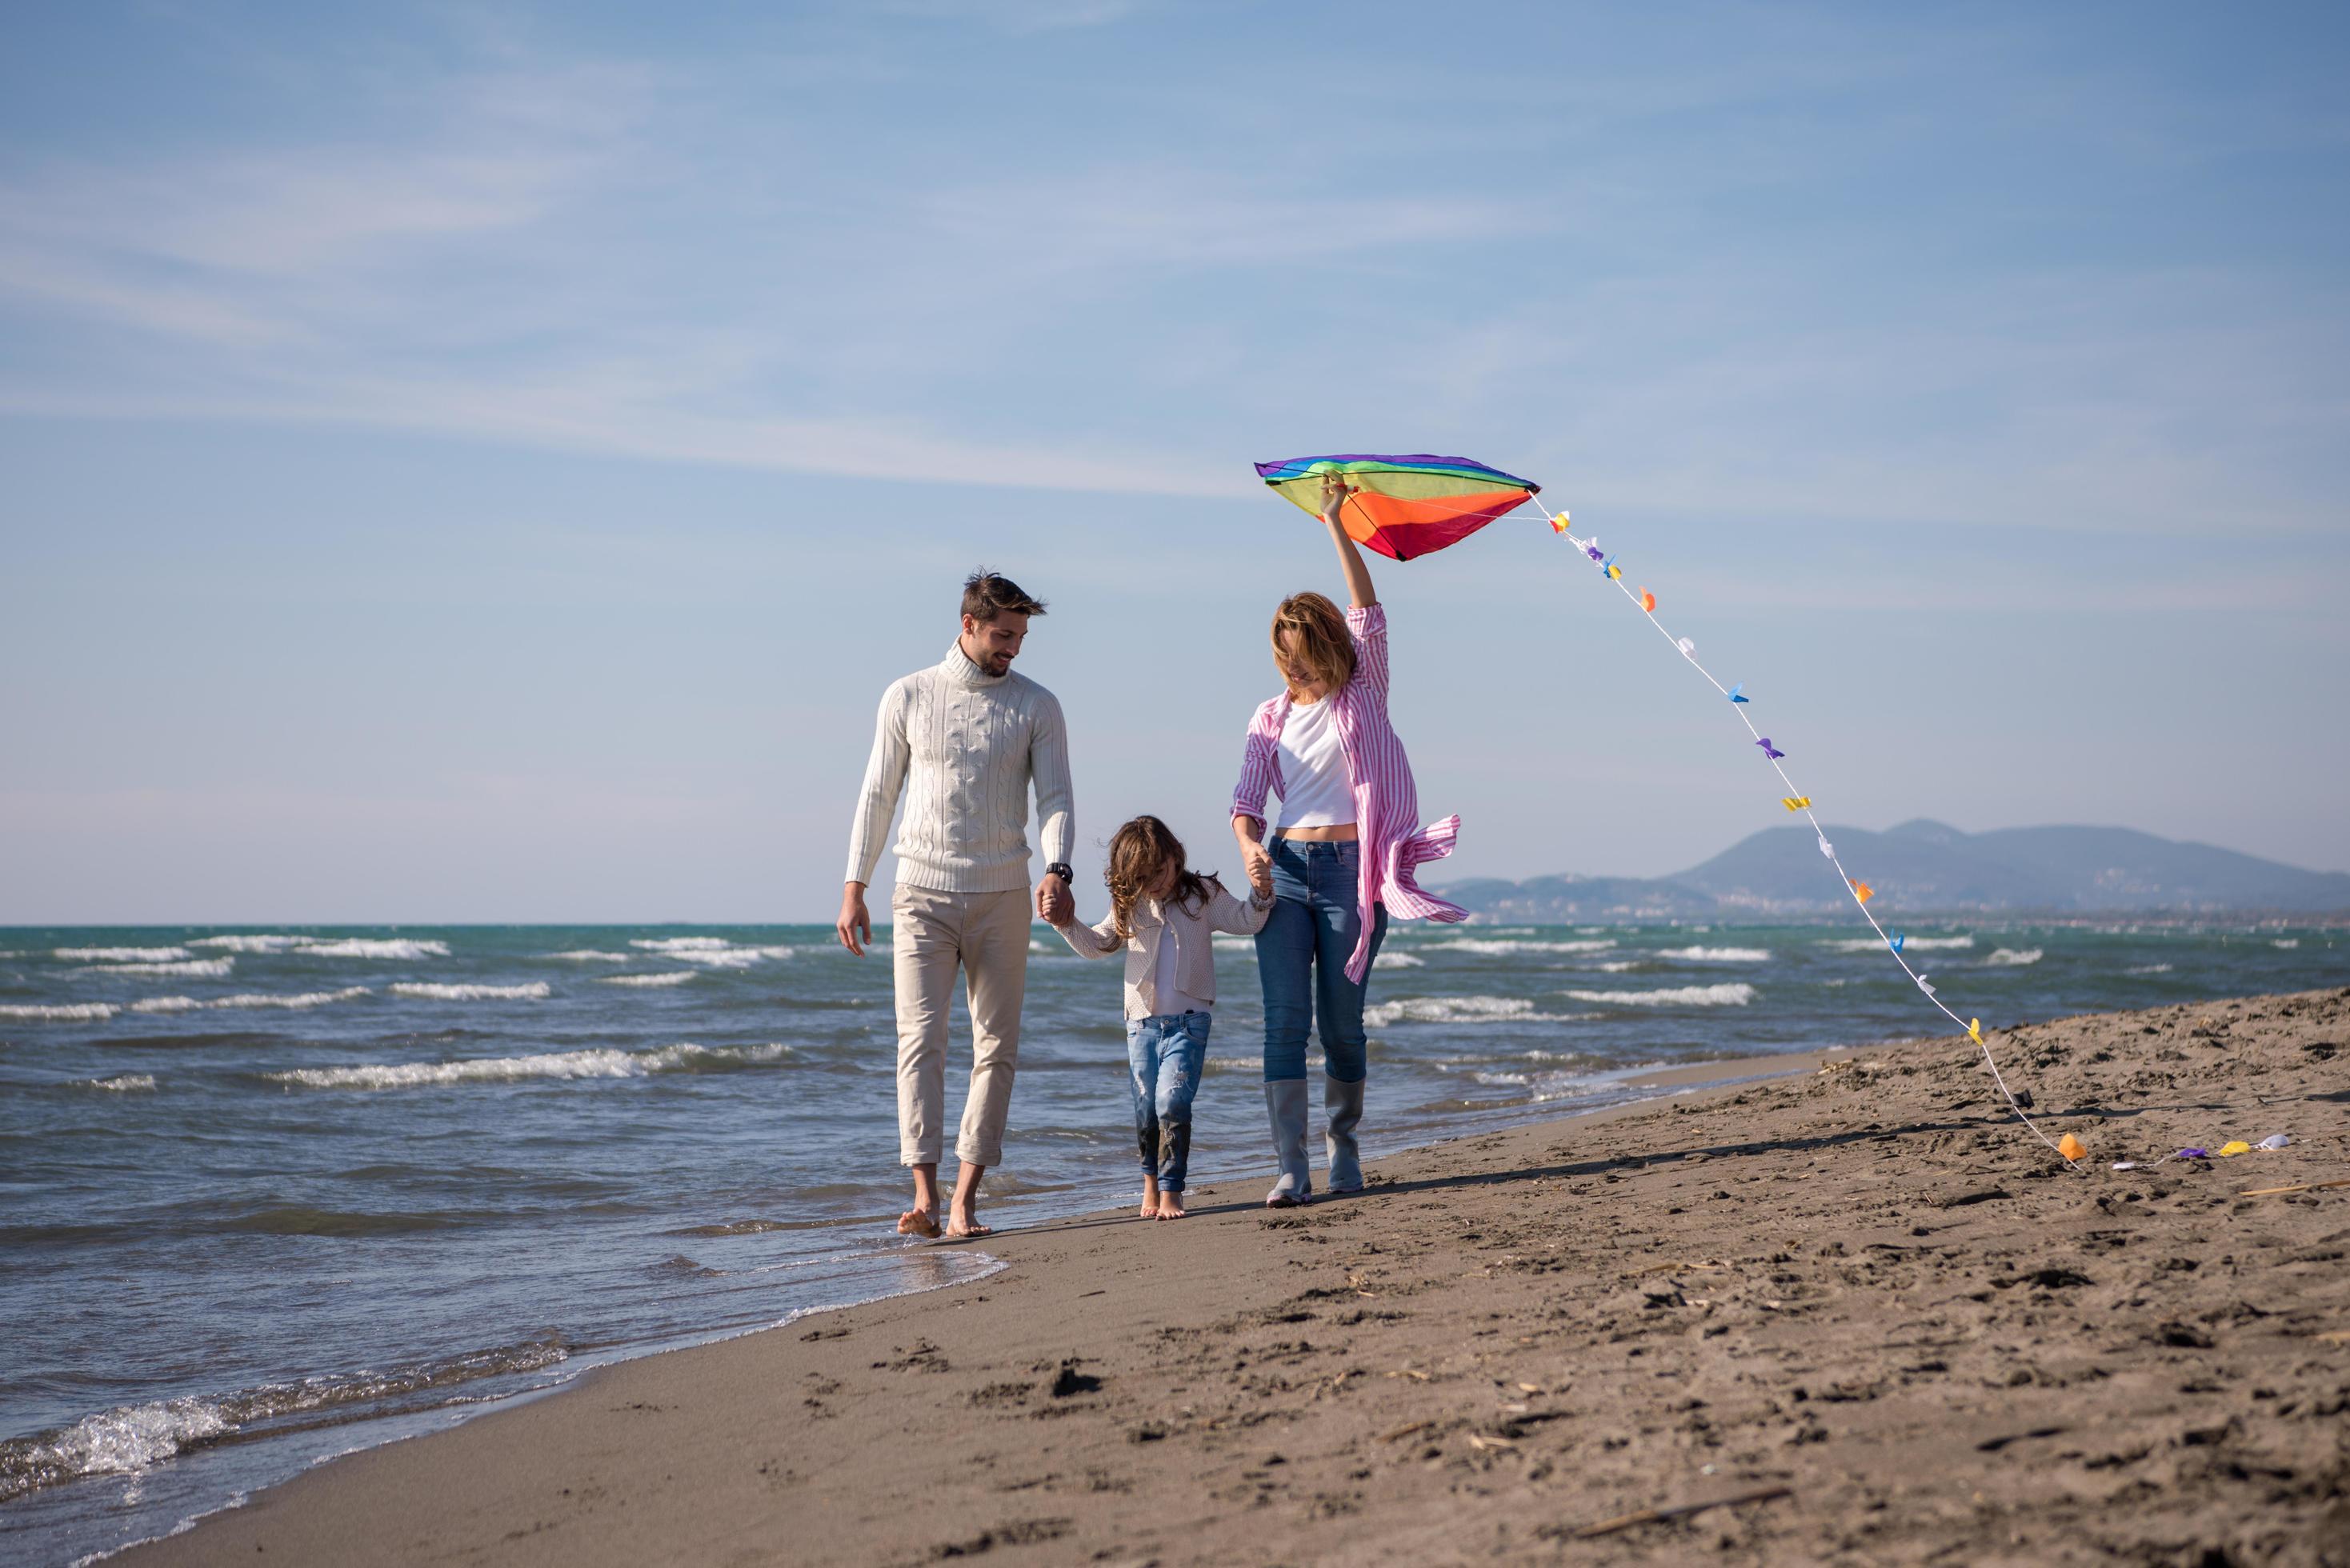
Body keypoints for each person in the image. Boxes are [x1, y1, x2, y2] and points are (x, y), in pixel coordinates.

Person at [1230, 476, 1467, 1206]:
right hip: (1287, 872)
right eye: (1283, 653)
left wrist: (1335, 521)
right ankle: (1288, 1166)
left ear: (1327, 645)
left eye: (1302, 650)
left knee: (1341, 1024)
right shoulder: (1268, 717)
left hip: (1351, 876)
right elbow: (1244, 803)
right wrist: (1248, 848)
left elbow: (1367, 607)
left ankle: (1344, 1145)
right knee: (1282, 1023)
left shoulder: (1364, 688)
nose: (1292, 665)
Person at [838, 570, 1075, 1240]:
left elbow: (1055, 798)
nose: (1014, 650)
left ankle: (968, 1197)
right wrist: (854, 884)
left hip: (1003, 893)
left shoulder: (1037, 706)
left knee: (996, 1046)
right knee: (920, 1042)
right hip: (920, 892)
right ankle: (924, 1194)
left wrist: (1058, 867)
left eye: (1021, 637)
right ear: (967, 624)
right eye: (1004, 636)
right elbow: (877, 794)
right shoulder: (908, 694)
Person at [1049, 816, 1274, 1219]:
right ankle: (1150, 1186)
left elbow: (1247, 920)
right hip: (1141, 1025)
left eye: (1159, 871)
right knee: (1146, 1108)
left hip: (1190, 1023)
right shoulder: (1130, 904)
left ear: (1175, 857)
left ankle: (1173, 1191)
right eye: (1141, 877)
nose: (1153, 882)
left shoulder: (1203, 895)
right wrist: (1066, 924)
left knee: (1172, 1101)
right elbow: (1099, 945)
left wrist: (1262, 892)